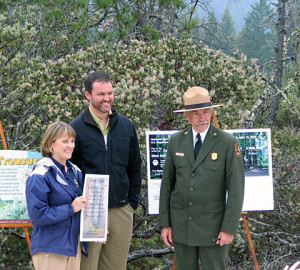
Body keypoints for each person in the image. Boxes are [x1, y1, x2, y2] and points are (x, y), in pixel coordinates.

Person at [159, 86, 245, 270]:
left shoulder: (227, 143)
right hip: (182, 227)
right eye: (195, 114)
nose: (202, 118)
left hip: (213, 228)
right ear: (187, 116)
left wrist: (229, 228)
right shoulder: (176, 141)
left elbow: (236, 190)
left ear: (212, 112)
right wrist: (166, 224)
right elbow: (167, 185)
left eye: (206, 112)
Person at [70, 71, 142, 270]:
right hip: (90, 212)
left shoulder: (126, 126)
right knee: (87, 266)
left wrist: (132, 203)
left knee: (116, 266)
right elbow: (69, 171)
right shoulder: (75, 128)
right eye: (101, 94)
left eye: (110, 93)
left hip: (121, 210)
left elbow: (135, 165)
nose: (107, 98)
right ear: (88, 95)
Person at [26, 121, 88, 270]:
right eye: (65, 141)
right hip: (50, 248)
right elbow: (37, 214)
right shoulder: (40, 173)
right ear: (50, 144)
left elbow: (82, 208)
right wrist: (70, 209)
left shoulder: (75, 171)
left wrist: (95, 229)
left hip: (73, 247)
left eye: (72, 141)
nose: (70, 145)